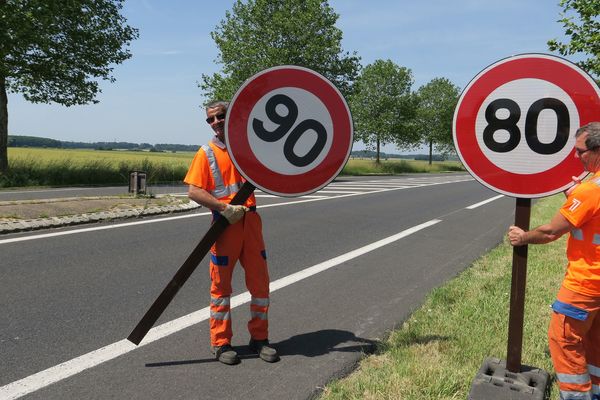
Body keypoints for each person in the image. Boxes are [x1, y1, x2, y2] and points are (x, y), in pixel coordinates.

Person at [508, 122, 600, 400]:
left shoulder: (589, 191)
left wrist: (523, 237)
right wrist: (575, 199)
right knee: (595, 342)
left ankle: (577, 396)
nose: (576, 157)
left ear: (597, 150)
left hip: (586, 283)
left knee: (564, 340)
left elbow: (550, 231)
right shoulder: (588, 191)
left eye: (580, 151)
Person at [184, 100, 279, 365]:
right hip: (224, 226)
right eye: (210, 119)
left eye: (220, 116)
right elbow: (194, 191)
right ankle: (221, 343)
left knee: (260, 286)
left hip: (251, 222)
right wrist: (223, 208)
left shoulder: (249, 149)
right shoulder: (207, 153)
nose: (215, 122)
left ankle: (259, 339)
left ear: (233, 116)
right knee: (220, 288)